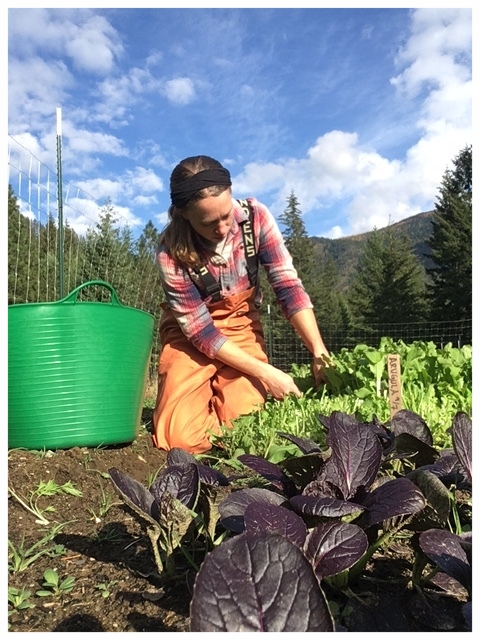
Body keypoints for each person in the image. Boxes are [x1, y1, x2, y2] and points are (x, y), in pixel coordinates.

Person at [152, 155, 332, 454]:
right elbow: (201, 334)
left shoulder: (256, 217)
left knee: (245, 422)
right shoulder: (169, 252)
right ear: (184, 214)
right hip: (189, 337)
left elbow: (287, 286)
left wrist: (319, 351)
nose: (223, 228)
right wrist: (266, 372)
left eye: (226, 215)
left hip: (241, 327)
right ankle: (200, 394)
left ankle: (220, 398)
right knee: (181, 439)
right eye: (209, 223)